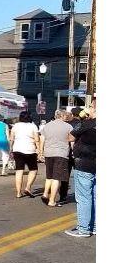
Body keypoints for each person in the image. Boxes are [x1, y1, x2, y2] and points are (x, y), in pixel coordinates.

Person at [65, 98, 96, 238]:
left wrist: (86, 119)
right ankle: (94, 226)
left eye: (90, 105)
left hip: (85, 164)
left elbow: (70, 137)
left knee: (84, 197)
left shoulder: (87, 123)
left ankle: (83, 228)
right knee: (95, 197)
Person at [40, 109, 73, 207]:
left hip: (48, 153)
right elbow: (72, 141)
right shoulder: (68, 126)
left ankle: (45, 193)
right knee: (57, 178)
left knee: (49, 176)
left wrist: (41, 152)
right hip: (61, 154)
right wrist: (73, 152)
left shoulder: (47, 126)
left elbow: (42, 139)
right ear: (63, 116)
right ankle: (52, 200)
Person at [9, 111, 40, 198]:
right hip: (30, 150)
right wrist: (39, 150)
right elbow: (37, 139)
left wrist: (10, 149)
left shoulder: (16, 126)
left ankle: (18, 192)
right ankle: (28, 187)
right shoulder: (33, 126)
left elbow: (12, 139)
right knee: (33, 169)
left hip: (17, 150)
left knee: (19, 171)